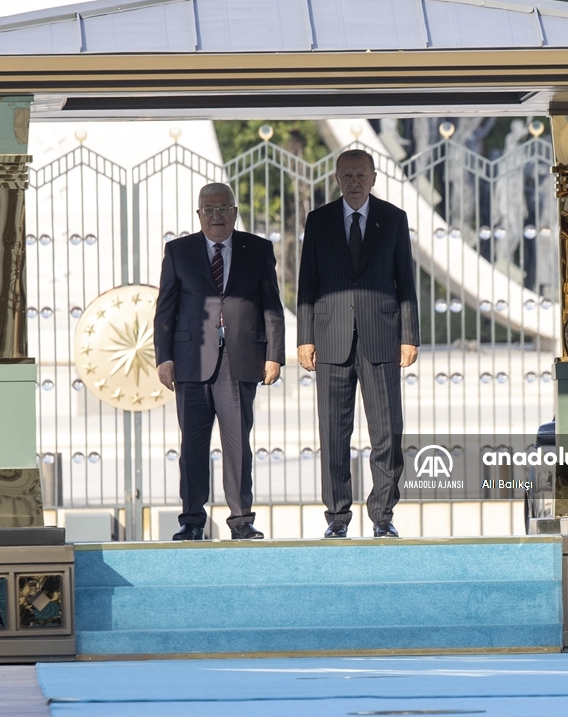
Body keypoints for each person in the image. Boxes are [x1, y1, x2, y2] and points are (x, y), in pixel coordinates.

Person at [296, 149, 419, 539]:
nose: (354, 182)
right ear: (336, 179)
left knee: (387, 433)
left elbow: (406, 280)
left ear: (374, 177)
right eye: (346, 175)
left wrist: (409, 336)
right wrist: (305, 337)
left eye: (360, 175)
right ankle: (336, 517)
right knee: (333, 434)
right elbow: (307, 282)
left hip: (381, 337)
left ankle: (383, 515)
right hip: (330, 340)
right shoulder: (318, 221)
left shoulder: (393, 219)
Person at [154, 183, 285, 540]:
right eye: (208, 210)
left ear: (235, 212)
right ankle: (192, 521)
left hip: (241, 360)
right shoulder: (179, 251)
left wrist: (274, 355)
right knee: (192, 447)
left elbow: (272, 305)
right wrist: (164, 357)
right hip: (191, 361)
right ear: (198, 215)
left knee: (237, 446)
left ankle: (241, 520)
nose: (216, 216)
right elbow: (165, 308)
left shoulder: (258, 249)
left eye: (223, 208)